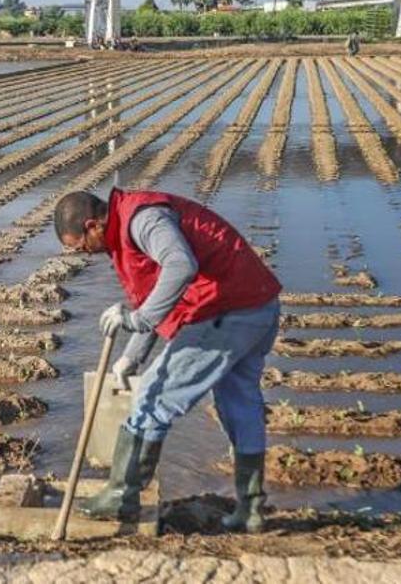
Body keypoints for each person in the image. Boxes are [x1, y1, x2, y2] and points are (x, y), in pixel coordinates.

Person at [52, 188, 283, 533]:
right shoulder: (128, 221)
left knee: (153, 396)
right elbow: (158, 295)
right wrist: (132, 357)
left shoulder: (143, 220)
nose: (84, 253)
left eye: (80, 246)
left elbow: (180, 266)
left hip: (225, 309)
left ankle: (122, 495)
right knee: (239, 406)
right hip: (256, 305)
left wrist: (137, 319)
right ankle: (250, 510)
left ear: (92, 226)